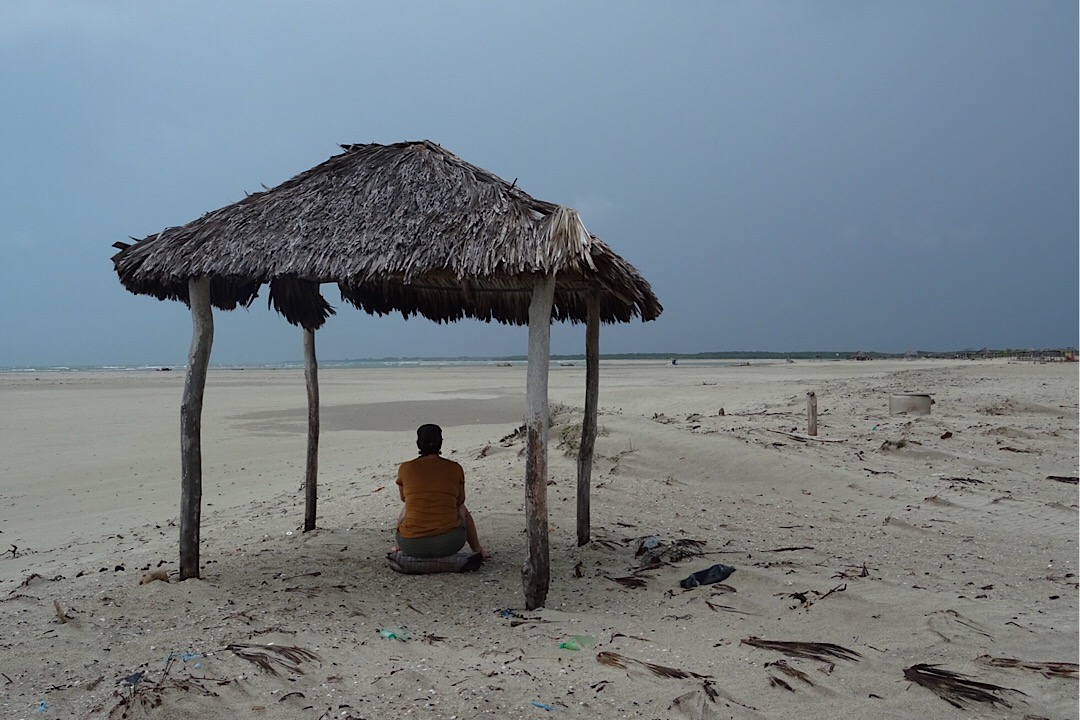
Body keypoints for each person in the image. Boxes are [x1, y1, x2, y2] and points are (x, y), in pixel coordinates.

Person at [391, 424, 490, 559]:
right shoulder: (454, 468)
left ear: (418, 444)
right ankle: (477, 549)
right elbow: (460, 500)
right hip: (450, 543)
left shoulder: (406, 468)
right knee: (461, 507)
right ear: (441, 443)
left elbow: (403, 497)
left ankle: (397, 545)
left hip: (410, 545)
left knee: (409, 505)